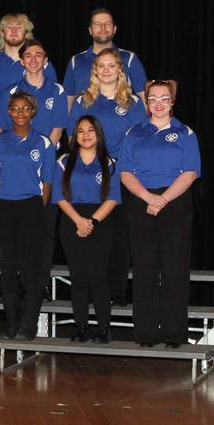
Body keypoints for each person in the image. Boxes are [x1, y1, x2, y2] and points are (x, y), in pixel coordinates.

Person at [120, 80, 200, 348]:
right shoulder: (134, 133)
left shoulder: (186, 133)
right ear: (147, 102)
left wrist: (163, 198)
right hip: (141, 202)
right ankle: (145, 333)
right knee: (144, 269)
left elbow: (190, 173)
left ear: (172, 102)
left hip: (175, 203)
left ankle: (174, 334)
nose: (158, 103)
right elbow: (125, 172)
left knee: (175, 270)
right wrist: (148, 197)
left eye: (164, 98)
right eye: (153, 98)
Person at [68, 48, 147, 305]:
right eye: (100, 66)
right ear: (94, 70)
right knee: (92, 231)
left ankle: (117, 291)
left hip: (124, 175)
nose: (106, 70)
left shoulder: (134, 103)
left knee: (119, 235)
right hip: (90, 174)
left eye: (111, 66)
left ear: (120, 70)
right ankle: (91, 290)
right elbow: (73, 138)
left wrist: (120, 163)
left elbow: (140, 140)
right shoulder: (84, 102)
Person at [0, 91, 55, 340]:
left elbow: (47, 181)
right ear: (8, 111)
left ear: (33, 111)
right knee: (8, 267)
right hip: (4, 207)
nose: (20, 113)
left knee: (31, 267)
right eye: (15, 108)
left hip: (32, 207)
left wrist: (39, 210)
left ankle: (28, 325)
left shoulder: (44, 143)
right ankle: (12, 322)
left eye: (25, 108)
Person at [52, 115, 119, 343]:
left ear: (98, 133)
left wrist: (92, 221)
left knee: (98, 275)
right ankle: (80, 326)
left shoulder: (109, 162)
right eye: (80, 131)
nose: (86, 135)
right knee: (78, 276)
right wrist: (79, 221)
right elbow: (58, 196)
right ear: (75, 135)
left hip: (100, 221)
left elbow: (113, 198)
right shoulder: (63, 161)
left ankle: (104, 328)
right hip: (71, 220)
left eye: (90, 130)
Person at [64, 7, 147, 110]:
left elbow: (144, 98)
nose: (103, 27)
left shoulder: (129, 59)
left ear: (114, 29)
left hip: (121, 123)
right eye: (97, 24)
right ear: (90, 30)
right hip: (86, 123)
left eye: (107, 23)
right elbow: (68, 102)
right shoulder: (76, 61)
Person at [0, 13, 57, 94]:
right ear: (2, 33)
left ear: (27, 34)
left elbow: (53, 96)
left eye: (19, 27)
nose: (14, 31)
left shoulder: (41, 64)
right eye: (9, 27)